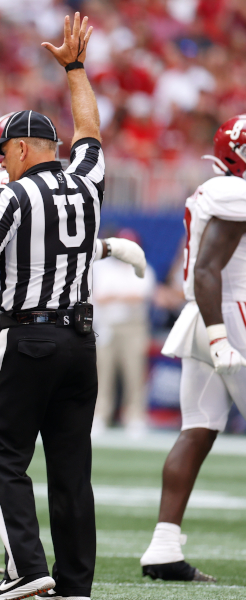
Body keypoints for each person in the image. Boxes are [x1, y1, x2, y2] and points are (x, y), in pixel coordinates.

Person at [0, 115, 146, 581]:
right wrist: (106, 248)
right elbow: (53, 237)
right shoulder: (67, 185)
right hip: (32, 327)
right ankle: (19, 562)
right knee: (31, 456)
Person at [0, 13, 105, 600]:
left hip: (28, 337)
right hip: (81, 342)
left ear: (22, 147)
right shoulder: (88, 178)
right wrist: (75, 69)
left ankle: (26, 568)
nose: (1, 161)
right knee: (72, 470)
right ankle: (74, 586)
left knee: (0, 450)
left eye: (4, 151)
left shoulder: (12, 193)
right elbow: (91, 129)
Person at [141, 113, 246, 583]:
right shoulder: (234, 194)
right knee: (196, 429)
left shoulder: (214, 189)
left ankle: (163, 547)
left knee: (197, 429)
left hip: (203, 316)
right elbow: (208, 270)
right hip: (228, 317)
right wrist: (223, 336)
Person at [91, 228, 155, 436]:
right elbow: (99, 297)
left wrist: (115, 297)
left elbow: (140, 296)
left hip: (133, 327)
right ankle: (100, 415)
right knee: (103, 373)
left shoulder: (144, 268)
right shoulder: (102, 268)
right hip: (106, 326)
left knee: (134, 373)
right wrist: (121, 297)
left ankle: (135, 416)